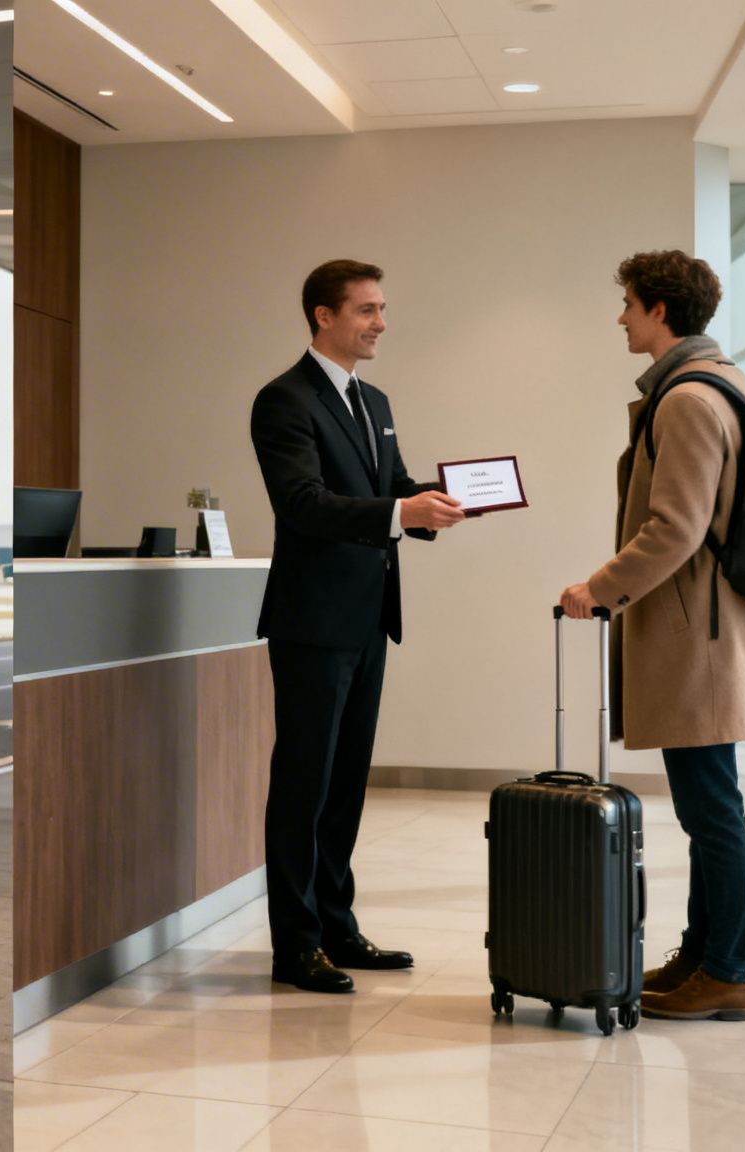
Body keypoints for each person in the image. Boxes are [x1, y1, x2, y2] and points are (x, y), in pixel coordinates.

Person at [559, 250, 745, 1021]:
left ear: (659, 310)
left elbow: (675, 527)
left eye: (627, 303)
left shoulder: (686, 399)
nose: (620, 316)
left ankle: (728, 972)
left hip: (697, 641)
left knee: (713, 812)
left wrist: (599, 589)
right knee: (708, 809)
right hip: (716, 627)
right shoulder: (722, 384)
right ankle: (702, 956)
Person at [250, 259, 467, 993]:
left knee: (345, 784)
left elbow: (391, 491)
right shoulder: (283, 401)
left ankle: (339, 930)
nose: (380, 323)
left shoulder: (373, 401)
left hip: (369, 619)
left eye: (381, 309)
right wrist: (400, 513)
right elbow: (302, 504)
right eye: (367, 310)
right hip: (312, 623)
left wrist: (438, 500)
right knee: (304, 785)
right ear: (323, 316)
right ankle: (297, 945)